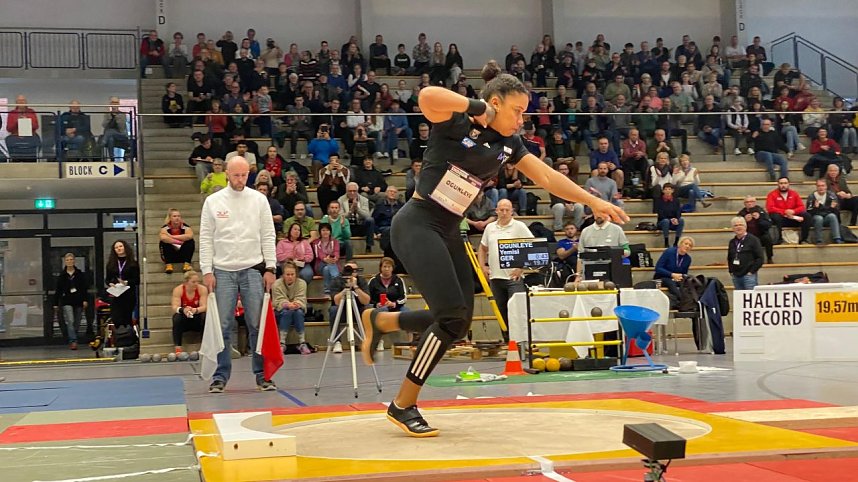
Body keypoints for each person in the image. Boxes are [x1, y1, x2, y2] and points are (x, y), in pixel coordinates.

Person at [358, 62, 626, 437]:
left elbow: (547, 177)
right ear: (495, 103)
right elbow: (425, 97)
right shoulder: (457, 122)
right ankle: (403, 404)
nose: (521, 119)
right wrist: (475, 107)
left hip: (450, 229)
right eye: (517, 111)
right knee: (451, 316)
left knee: (458, 321)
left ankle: (382, 321)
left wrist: (592, 202)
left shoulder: (509, 144)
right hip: (417, 222)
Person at [199, 156, 278, 393]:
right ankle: (220, 376)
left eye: (244, 175)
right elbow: (205, 237)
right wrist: (206, 270)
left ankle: (262, 375)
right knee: (222, 325)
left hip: (253, 268)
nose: (240, 180)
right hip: (222, 270)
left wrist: (271, 267)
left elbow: (268, 234)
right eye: (236, 175)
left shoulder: (259, 200)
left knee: (257, 324)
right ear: (226, 173)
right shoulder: (212, 201)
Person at [478, 199, 533, 339]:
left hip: (513, 277)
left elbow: (531, 246)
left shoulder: (519, 226)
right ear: (496, 211)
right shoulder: (490, 227)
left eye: (506, 210)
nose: (503, 212)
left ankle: (520, 342)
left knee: (516, 311)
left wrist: (521, 268)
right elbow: (483, 248)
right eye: (501, 210)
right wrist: (482, 266)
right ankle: (508, 342)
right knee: (501, 312)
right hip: (495, 277)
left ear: (512, 211)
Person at [367, 257, 410, 352]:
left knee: (408, 313)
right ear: (380, 268)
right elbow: (368, 298)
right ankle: (379, 341)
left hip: (396, 306)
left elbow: (403, 297)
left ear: (392, 268)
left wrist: (394, 304)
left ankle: (411, 341)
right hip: (380, 307)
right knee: (381, 312)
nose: (386, 269)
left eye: (389, 266)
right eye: (384, 266)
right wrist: (376, 304)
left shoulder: (398, 280)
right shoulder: (373, 281)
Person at [329, 261, 371, 354]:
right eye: (349, 270)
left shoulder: (361, 281)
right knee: (333, 310)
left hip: (358, 310)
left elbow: (366, 301)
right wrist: (346, 288)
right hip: (342, 310)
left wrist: (355, 287)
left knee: (368, 310)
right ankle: (337, 342)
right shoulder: (337, 280)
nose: (352, 273)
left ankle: (366, 341)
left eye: (354, 270)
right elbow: (336, 301)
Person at [273, 261, 311, 354]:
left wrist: (296, 304)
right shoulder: (276, 284)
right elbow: (277, 300)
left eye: (292, 274)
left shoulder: (302, 283)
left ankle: (302, 342)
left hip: (297, 309)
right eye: (287, 274)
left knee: (298, 312)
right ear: (283, 275)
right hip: (281, 310)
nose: (290, 277)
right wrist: (286, 304)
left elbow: (301, 298)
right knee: (287, 312)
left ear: (296, 274)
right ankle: (282, 343)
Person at [53, 253, 89, 350]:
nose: (69, 261)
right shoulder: (62, 276)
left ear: (74, 261)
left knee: (77, 322)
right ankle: (73, 341)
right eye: (67, 260)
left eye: (71, 259)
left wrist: (85, 299)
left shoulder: (79, 274)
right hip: (67, 301)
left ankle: (74, 335)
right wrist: (55, 303)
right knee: (70, 320)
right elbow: (58, 290)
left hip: (78, 300)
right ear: (65, 262)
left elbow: (84, 288)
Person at [171, 270, 208, 354]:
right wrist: (183, 310)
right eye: (193, 282)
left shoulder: (202, 289)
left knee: (205, 316)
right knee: (176, 317)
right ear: (186, 282)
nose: (196, 284)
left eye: (197, 281)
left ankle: (205, 346)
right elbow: (174, 306)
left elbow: (205, 306)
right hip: (185, 319)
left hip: (196, 318)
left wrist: (196, 310)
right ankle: (178, 348)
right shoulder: (178, 290)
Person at [766, 177, 811, 245]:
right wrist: (785, 212)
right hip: (780, 218)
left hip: (793, 218)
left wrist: (793, 211)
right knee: (776, 216)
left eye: (785, 183)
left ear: (788, 184)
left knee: (806, 216)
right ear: (778, 184)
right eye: (781, 183)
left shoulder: (794, 194)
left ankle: (804, 239)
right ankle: (780, 240)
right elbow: (770, 208)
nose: (783, 185)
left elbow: (801, 207)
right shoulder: (772, 194)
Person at [105, 240, 139, 327]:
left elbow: (137, 280)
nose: (118, 249)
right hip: (116, 295)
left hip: (128, 294)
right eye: (116, 247)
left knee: (127, 319)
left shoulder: (133, 263)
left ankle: (128, 337)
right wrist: (110, 284)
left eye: (120, 246)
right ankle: (119, 337)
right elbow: (107, 279)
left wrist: (126, 282)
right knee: (116, 318)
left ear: (125, 247)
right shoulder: (111, 264)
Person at [727, 217, 764, 290]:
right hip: (736, 276)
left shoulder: (753, 240)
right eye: (736, 225)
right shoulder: (732, 242)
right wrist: (731, 271)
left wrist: (751, 272)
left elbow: (760, 258)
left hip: (749, 276)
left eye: (741, 225)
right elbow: (730, 257)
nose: (738, 227)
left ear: (745, 226)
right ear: (732, 228)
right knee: (740, 299)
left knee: (750, 299)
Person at [654, 236, 694, 303]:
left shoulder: (688, 259)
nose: (687, 246)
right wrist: (672, 275)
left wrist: (680, 277)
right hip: (663, 276)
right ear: (680, 244)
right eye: (686, 244)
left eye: (690, 245)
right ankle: (683, 301)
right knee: (671, 284)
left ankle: (683, 302)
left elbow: (684, 273)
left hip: (676, 278)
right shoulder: (669, 252)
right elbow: (658, 268)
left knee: (688, 284)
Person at [806, 179, 844, 245]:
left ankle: (837, 238)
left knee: (832, 216)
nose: (821, 188)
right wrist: (815, 208)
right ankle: (819, 240)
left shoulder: (831, 195)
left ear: (826, 186)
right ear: (816, 187)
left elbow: (837, 211)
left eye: (823, 186)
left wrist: (832, 208)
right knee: (819, 218)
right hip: (815, 218)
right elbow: (809, 213)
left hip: (827, 218)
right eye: (819, 186)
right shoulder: (812, 196)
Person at [738, 196, 774, 264]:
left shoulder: (761, 211)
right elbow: (737, 227)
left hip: (761, 234)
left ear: (755, 203)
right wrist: (744, 221)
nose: (749, 204)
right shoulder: (742, 213)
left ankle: (769, 258)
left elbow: (768, 225)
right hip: (748, 235)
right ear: (744, 204)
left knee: (767, 239)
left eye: (751, 202)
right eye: (747, 202)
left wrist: (759, 219)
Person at [549, 161, 584, 230]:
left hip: (571, 206)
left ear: (568, 170)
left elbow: (576, 195)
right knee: (559, 206)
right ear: (558, 171)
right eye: (561, 169)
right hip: (558, 206)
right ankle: (558, 228)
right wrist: (565, 204)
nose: (564, 171)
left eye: (565, 169)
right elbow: (554, 197)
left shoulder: (573, 181)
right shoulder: (553, 182)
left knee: (579, 206)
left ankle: (576, 227)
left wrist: (572, 203)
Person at [159, 209, 195, 274]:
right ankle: (168, 265)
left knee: (190, 241)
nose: (177, 218)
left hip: (182, 254)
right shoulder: (165, 227)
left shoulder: (185, 226)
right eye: (174, 216)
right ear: (170, 218)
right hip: (171, 255)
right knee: (163, 242)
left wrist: (171, 236)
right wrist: (180, 240)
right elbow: (163, 238)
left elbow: (190, 236)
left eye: (179, 216)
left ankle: (186, 265)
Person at [312, 222, 341, 294]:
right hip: (320, 264)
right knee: (326, 267)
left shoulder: (335, 242)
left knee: (327, 269)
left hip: (332, 263)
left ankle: (327, 291)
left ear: (330, 231)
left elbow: (336, 252)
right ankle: (336, 278)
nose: (325, 232)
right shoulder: (315, 242)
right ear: (320, 232)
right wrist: (325, 259)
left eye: (327, 230)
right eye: (323, 230)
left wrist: (335, 258)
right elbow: (318, 254)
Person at [654, 183, 685, 247]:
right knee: (666, 221)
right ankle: (666, 242)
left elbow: (678, 212)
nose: (667, 191)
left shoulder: (676, 200)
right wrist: (670, 219)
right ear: (663, 191)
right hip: (662, 221)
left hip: (673, 221)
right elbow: (660, 214)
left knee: (681, 220)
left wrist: (676, 219)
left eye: (669, 189)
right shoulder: (658, 201)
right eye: (665, 189)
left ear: (672, 191)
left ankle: (676, 241)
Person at [101, 97, 130, 161]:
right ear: (110, 104)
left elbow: (121, 127)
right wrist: (109, 116)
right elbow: (103, 125)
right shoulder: (107, 114)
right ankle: (112, 157)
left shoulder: (122, 114)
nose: (114, 104)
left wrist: (116, 117)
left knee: (110, 131)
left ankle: (102, 143)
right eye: (113, 102)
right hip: (110, 136)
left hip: (120, 134)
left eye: (116, 102)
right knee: (110, 138)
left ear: (118, 104)